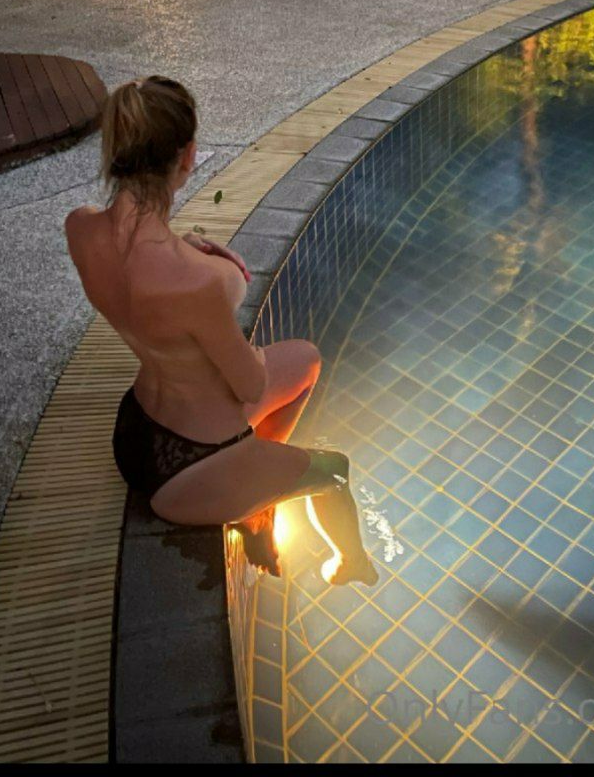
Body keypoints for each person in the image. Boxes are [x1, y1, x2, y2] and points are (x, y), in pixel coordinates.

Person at [66, 75, 377, 586]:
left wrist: (188, 247)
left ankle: (259, 490)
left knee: (306, 360)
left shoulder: (80, 228)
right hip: (192, 469)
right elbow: (250, 385)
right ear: (188, 157)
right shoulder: (200, 281)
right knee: (336, 472)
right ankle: (352, 563)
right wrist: (224, 275)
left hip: (136, 430)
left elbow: (140, 279)